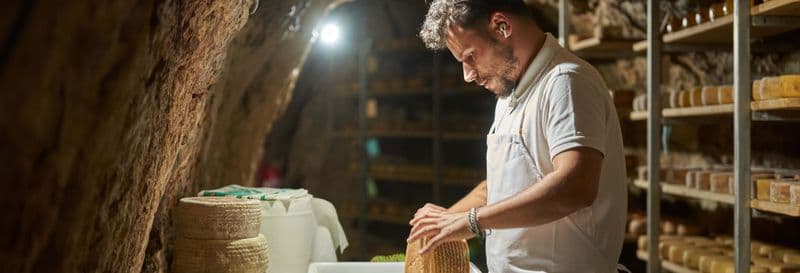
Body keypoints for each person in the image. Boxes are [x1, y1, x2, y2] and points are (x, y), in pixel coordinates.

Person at [406, 1, 628, 272]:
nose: (467, 75)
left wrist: (472, 220)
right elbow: (503, 186)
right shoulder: (512, 93)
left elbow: (575, 187)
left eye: (470, 56)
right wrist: (447, 219)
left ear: (502, 26)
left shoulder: (565, 82)